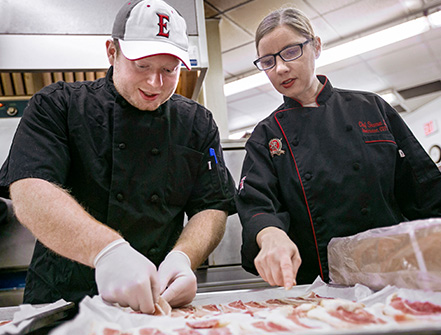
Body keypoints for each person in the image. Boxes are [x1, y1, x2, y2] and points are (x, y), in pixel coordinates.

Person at [0, 0, 236, 313]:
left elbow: (212, 205)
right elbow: (29, 189)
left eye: (169, 70)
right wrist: (108, 251)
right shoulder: (58, 105)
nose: (155, 83)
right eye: (142, 66)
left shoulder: (197, 122)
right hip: (61, 302)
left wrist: (183, 258)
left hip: (153, 303)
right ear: (112, 52)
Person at [236, 7, 441, 290]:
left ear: (316, 46)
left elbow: (425, 188)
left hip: (396, 281)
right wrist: (270, 234)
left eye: (290, 52)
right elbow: (257, 203)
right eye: (268, 61)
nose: (280, 68)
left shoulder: (373, 109)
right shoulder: (266, 136)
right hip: (317, 290)